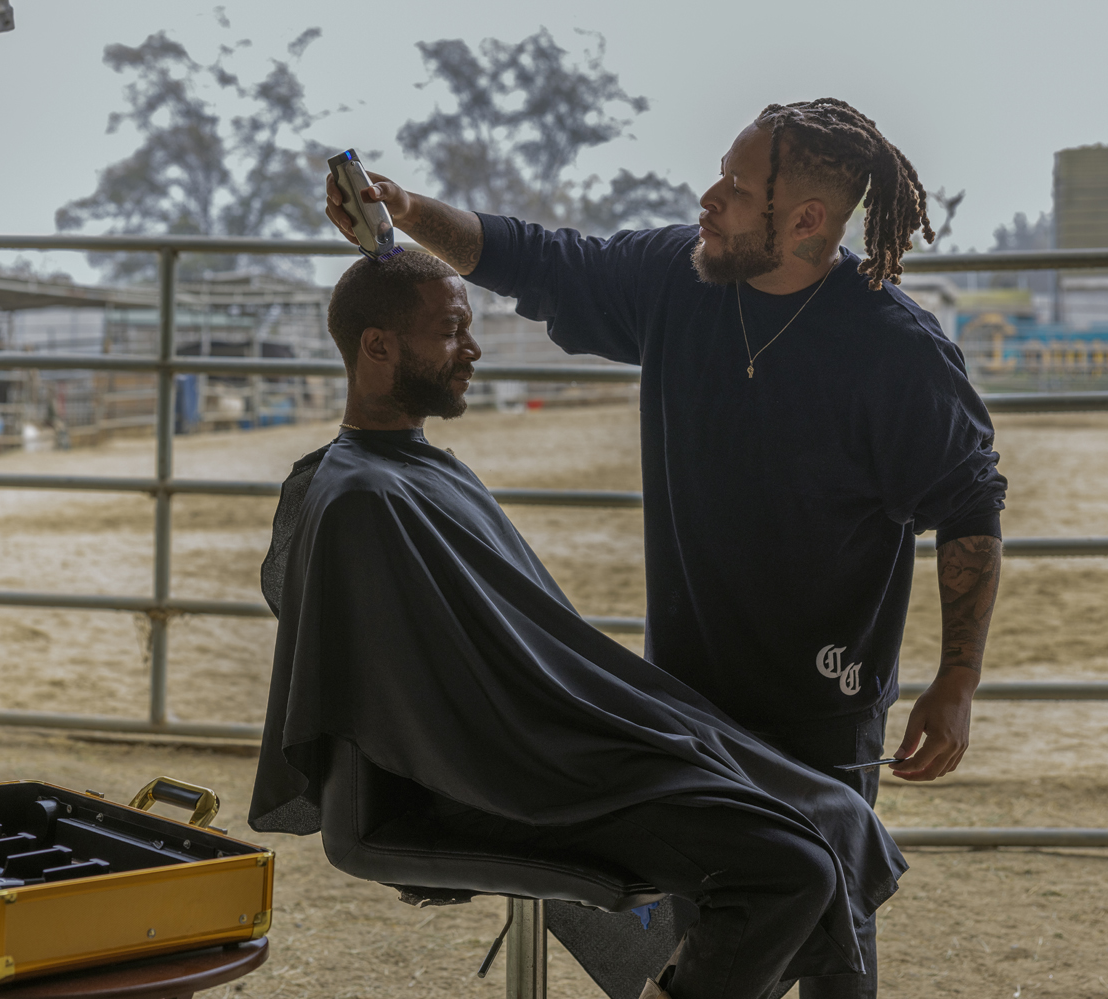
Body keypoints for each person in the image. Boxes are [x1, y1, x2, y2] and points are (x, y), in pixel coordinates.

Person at [324, 98, 1007, 998]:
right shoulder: (678, 280)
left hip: (821, 697)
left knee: (832, 907)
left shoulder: (896, 352)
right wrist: (408, 212)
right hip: (684, 689)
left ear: (806, 220)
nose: (709, 195)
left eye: (737, 185)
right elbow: (536, 256)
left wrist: (958, 679)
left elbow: (970, 504)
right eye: (719, 171)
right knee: (725, 902)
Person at [248, 251, 907, 999]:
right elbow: (431, 708)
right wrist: (595, 737)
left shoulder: (427, 470)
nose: (473, 349)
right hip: (501, 770)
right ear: (377, 347)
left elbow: (526, 645)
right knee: (790, 865)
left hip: (548, 742)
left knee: (837, 812)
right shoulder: (362, 499)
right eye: (452, 331)